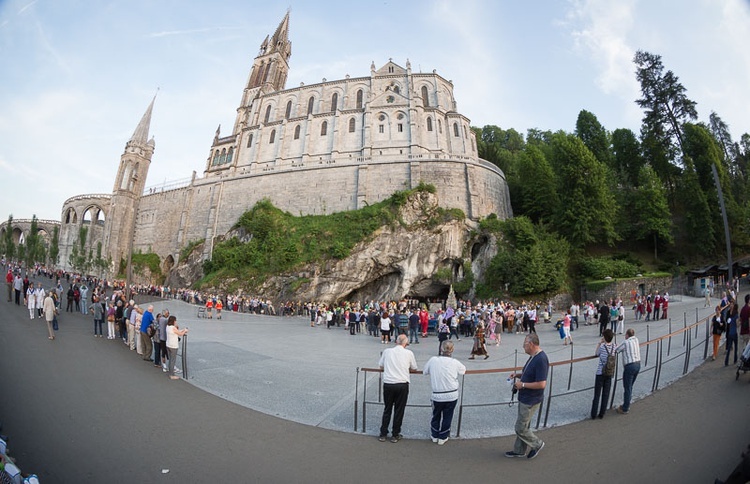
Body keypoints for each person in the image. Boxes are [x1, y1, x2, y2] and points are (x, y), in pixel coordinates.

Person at [505, 333, 548, 460]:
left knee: (520, 427)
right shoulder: (534, 356)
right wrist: (518, 375)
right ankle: (519, 450)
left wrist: (522, 384)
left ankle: (537, 444)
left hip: (531, 399)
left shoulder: (541, 359)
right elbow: (529, 373)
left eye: (524, 344)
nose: (523, 346)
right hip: (527, 397)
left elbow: (541, 384)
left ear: (531, 344)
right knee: (524, 425)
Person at [422, 341, 466, 445]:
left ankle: (434, 434)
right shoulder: (455, 362)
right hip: (451, 394)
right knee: (448, 415)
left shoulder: (433, 360)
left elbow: (425, 371)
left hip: (437, 394)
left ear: (441, 349)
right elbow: (463, 370)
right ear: (452, 350)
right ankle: (443, 436)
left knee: (436, 414)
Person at [378, 334, 418, 443]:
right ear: (406, 343)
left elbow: (381, 365)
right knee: (399, 410)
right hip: (401, 383)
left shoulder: (387, 351)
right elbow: (414, 368)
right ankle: (395, 434)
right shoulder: (409, 353)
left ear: (396, 341)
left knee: (387, 408)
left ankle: (383, 433)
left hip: (388, 383)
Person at [591, 329, 616, 419]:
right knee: (606, 393)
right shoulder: (614, 346)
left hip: (600, 372)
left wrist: (599, 343)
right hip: (609, 372)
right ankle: (602, 413)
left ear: (604, 337)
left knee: (597, 394)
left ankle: (594, 413)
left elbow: (596, 354)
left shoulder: (602, 347)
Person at [615, 328, 641, 414]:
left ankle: (625, 407)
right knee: (630, 386)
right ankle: (627, 403)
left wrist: (614, 345)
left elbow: (616, 350)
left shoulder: (626, 342)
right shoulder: (636, 340)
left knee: (627, 387)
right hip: (638, 364)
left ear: (627, 335)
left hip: (630, 366)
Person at [165, 315, 188, 380]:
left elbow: (177, 331)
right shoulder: (173, 327)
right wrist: (185, 331)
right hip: (173, 345)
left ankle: (170, 372)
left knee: (170, 359)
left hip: (168, 344)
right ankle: (171, 374)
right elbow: (180, 334)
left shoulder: (168, 326)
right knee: (173, 360)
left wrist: (182, 330)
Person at [725, 301, 739, 367]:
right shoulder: (735, 314)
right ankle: (733, 360)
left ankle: (727, 361)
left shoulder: (733, 313)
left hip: (731, 332)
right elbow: (737, 324)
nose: (731, 305)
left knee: (731, 347)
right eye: (730, 304)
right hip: (732, 332)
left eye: (732, 304)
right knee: (734, 347)